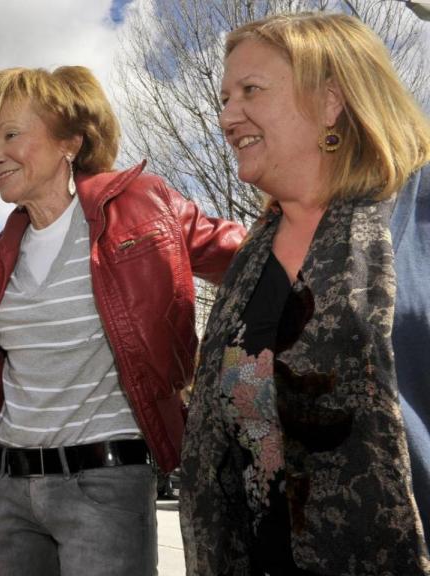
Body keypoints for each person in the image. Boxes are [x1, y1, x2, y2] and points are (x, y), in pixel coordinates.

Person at [0, 66, 245, 576]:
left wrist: (320, 218)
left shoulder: (139, 205)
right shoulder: (5, 246)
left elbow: (244, 256)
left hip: (104, 485)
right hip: (12, 490)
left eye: (10, 135)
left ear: (69, 141)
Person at [179, 12, 430, 575]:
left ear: (330, 101)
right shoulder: (251, 257)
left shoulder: (418, 212)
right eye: (224, 97)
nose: (226, 116)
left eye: (250, 90)